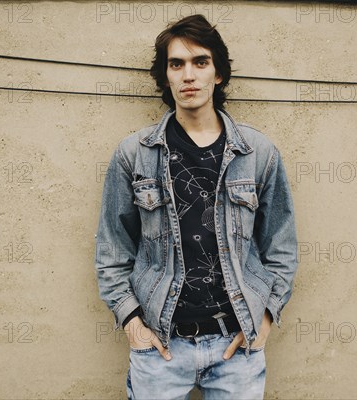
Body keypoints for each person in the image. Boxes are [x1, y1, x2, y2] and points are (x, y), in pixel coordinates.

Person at [95, 14, 298, 400]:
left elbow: (281, 247)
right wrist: (132, 323)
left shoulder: (258, 154)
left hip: (237, 345)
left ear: (217, 74)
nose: (188, 75)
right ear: (166, 76)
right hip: (161, 346)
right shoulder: (133, 155)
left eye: (200, 62)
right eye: (177, 64)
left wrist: (266, 317)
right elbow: (112, 250)